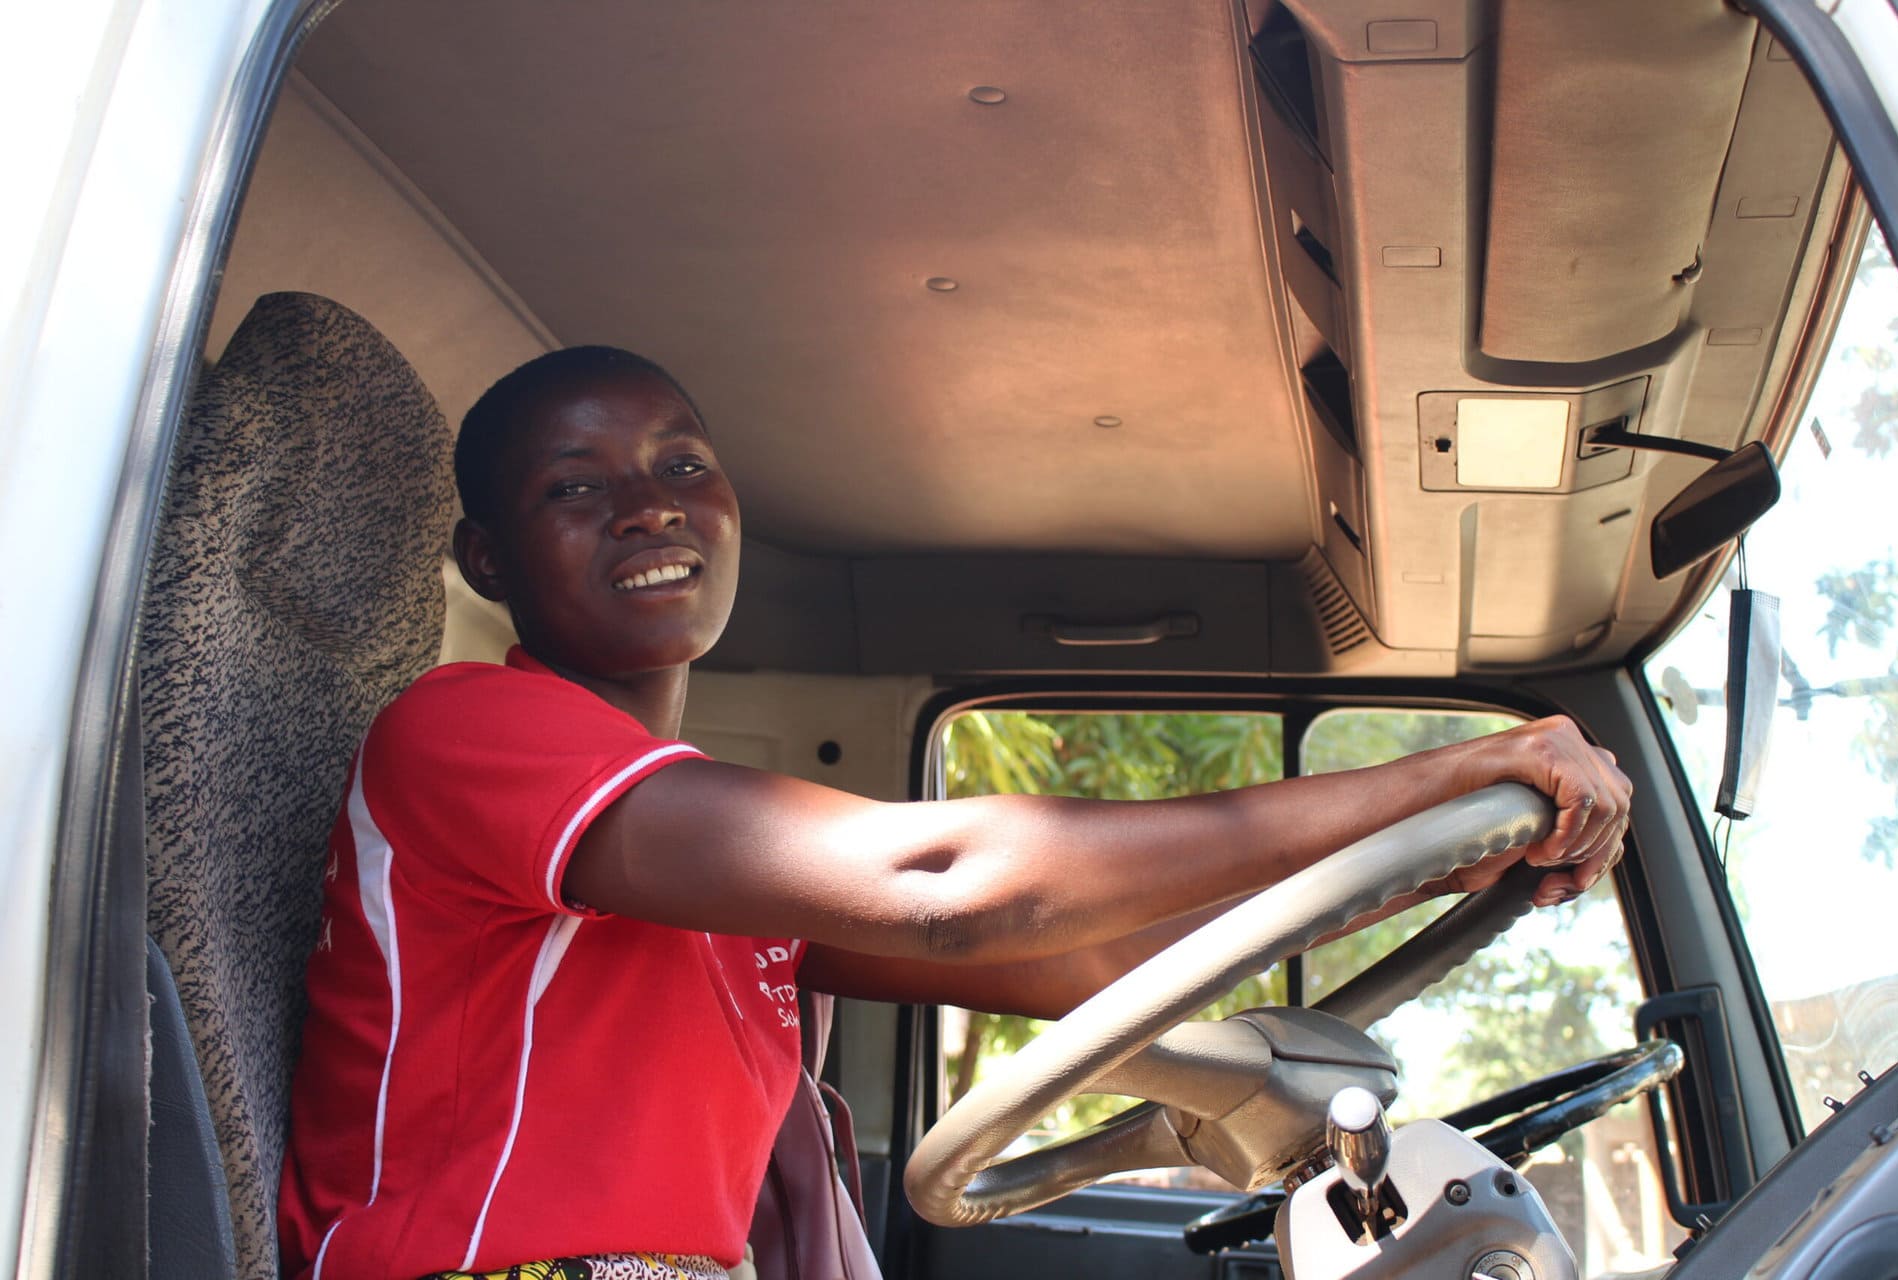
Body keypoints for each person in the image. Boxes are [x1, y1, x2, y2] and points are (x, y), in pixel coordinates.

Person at [278, 346, 1630, 1280]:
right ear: (487, 558)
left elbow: (1100, 960)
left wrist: (1426, 865)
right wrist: (1437, 776)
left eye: (681, 464)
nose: (648, 507)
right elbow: (945, 882)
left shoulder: (707, 873)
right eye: (575, 486)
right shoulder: (464, 732)